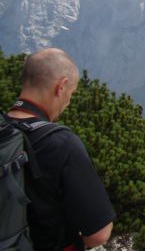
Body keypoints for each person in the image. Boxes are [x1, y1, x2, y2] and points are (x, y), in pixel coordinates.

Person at [4, 48, 115, 250]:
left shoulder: (4, 134)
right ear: (61, 87)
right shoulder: (62, 144)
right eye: (71, 94)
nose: (68, 102)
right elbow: (100, 233)